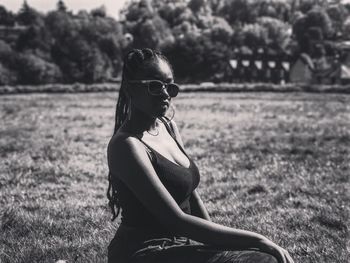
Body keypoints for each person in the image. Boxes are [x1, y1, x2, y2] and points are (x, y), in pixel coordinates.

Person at [106, 48, 294, 263]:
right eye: (155, 86)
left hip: (178, 247)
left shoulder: (168, 127)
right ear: (131, 89)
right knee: (262, 260)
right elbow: (176, 220)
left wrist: (220, 246)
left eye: (170, 86)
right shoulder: (127, 145)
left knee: (261, 258)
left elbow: (191, 195)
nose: (166, 94)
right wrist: (259, 239)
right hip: (143, 252)